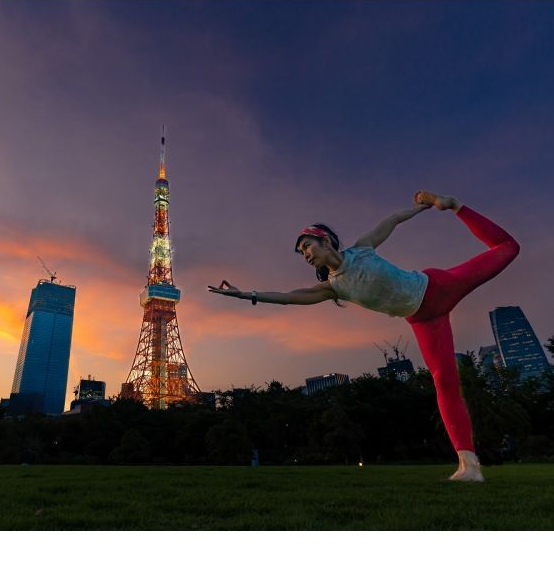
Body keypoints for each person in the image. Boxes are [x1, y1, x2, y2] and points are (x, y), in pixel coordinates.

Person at [208, 191, 520, 482]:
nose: (304, 254)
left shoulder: (363, 248)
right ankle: (470, 466)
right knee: (445, 383)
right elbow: (289, 296)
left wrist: (426, 205)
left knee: (508, 248)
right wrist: (245, 295)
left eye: (306, 246)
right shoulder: (333, 287)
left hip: (438, 286)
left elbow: (393, 221)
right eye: (301, 251)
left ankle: (456, 206)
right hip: (425, 320)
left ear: (325, 239)